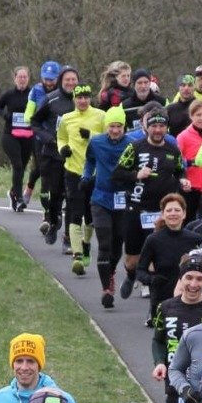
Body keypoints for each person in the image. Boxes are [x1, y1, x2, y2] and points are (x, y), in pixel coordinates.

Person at [113, 111, 189, 300]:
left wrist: (183, 181)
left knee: (156, 254)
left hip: (161, 211)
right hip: (136, 208)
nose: (157, 130)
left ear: (166, 128)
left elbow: (180, 171)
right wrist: (135, 175)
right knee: (132, 259)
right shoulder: (135, 147)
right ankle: (131, 276)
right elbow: (117, 175)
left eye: (161, 126)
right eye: (154, 126)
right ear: (147, 127)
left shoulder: (173, 150)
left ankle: (150, 289)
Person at [85, 106, 133, 307]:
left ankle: (111, 272)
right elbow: (89, 161)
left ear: (124, 126)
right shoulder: (96, 142)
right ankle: (106, 289)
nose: (115, 130)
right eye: (112, 126)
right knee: (104, 242)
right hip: (101, 198)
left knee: (117, 243)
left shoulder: (132, 144)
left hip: (123, 199)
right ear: (106, 127)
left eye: (119, 126)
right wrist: (86, 176)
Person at [152, 252, 202, 403]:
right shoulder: (165, 307)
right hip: (174, 381)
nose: (193, 284)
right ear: (181, 279)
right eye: (189, 277)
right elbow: (158, 340)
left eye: (199, 279)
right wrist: (159, 363)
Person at [57, 84, 104, 274]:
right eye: (79, 98)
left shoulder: (100, 116)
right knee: (75, 211)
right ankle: (76, 255)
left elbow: (112, 136)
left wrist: (91, 135)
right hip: (73, 170)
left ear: (90, 98)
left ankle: (85, 245)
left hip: (94, 172)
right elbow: (60, 137)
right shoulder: (66, 118)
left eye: (86, 97)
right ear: (74, 99)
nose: (83, 101)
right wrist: (63, 148)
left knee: (90, 215)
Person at [135, 193, 199, 320]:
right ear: (163, 214)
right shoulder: (153, 240)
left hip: (188, 299)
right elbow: (140, 271)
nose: (173, 213)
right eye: (169, 210)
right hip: (161, 299)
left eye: (177, 210)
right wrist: (152, 280)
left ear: (184, 213)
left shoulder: (195, 239)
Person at [24, 60, 63, 221]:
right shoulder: (36, 90)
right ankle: (44, 206)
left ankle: (56, 204)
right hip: (41, 136)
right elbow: (28, 112)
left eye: (52, 79)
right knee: (42, 168)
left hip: (59, 137)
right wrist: (32, 121)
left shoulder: (63, 92)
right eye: (46, 79)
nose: (48, 82)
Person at [0, 66, 36, 212]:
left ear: (28, 79)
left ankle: (13, 192)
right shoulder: (9, 94)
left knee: (22, 167)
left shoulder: (34, 94)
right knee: (17, 165)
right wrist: (5, 116)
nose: (22, 80)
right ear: (15, 79)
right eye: (20, 77)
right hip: (10, 135)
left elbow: (42, 108)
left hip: (28, 135)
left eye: (25, 77)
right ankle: (19, 199)